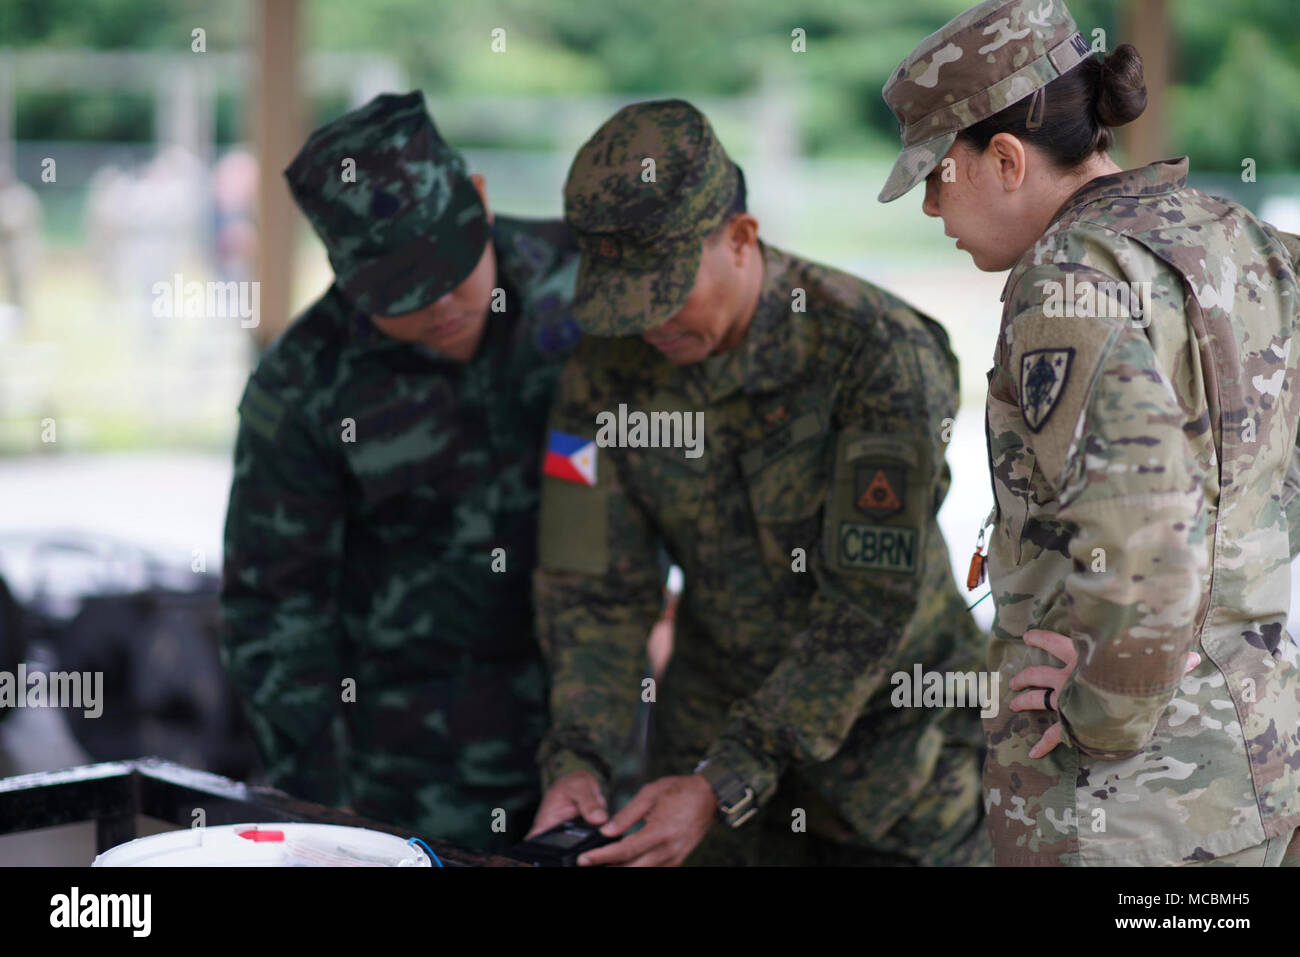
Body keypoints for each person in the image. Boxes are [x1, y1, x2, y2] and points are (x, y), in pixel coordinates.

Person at [880, 0, 1300, 865]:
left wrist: (1104, 706)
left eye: (935, 175)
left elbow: (1144, 529)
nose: (929, 209)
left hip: (1125, 804)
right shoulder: (1240, 238)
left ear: (1003, 159)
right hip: (1254, 760)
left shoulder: (1066, 279)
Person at [527, 99, 990, 866]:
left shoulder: (877, 352)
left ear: (741, 238)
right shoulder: (599, 373)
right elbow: (591, 590)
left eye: (667, 289)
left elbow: (870, 601)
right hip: (701, 763)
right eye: (625, 297)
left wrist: (726, 777)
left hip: (892, 769)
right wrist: (581, 759)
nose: (648, 322)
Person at [219, 91, 582, 852]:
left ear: (479, 199)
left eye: (451, 271)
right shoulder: (301, 387)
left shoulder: (582, 287)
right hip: (408, 774)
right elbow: (275, 615)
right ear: (345, 276)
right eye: (402, 294)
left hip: (593, 739)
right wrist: (327, 821)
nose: (442, 306)